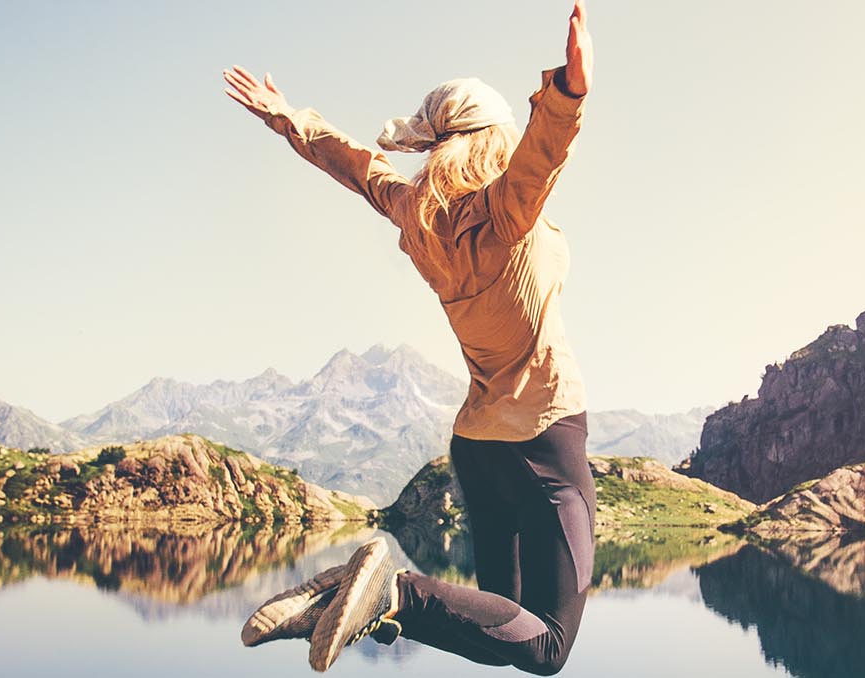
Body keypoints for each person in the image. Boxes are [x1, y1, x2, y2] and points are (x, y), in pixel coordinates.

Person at [227, 1, 596, 674]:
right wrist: (568, 91)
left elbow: (356, 166)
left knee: (495, 623)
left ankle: (351, 600)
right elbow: (545, 152)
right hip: (545, 435)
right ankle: (392, 592)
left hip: (479, 446)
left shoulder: (418, 217)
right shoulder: (508, 209)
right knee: (546, 647)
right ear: (494, 139)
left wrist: (288, 118)